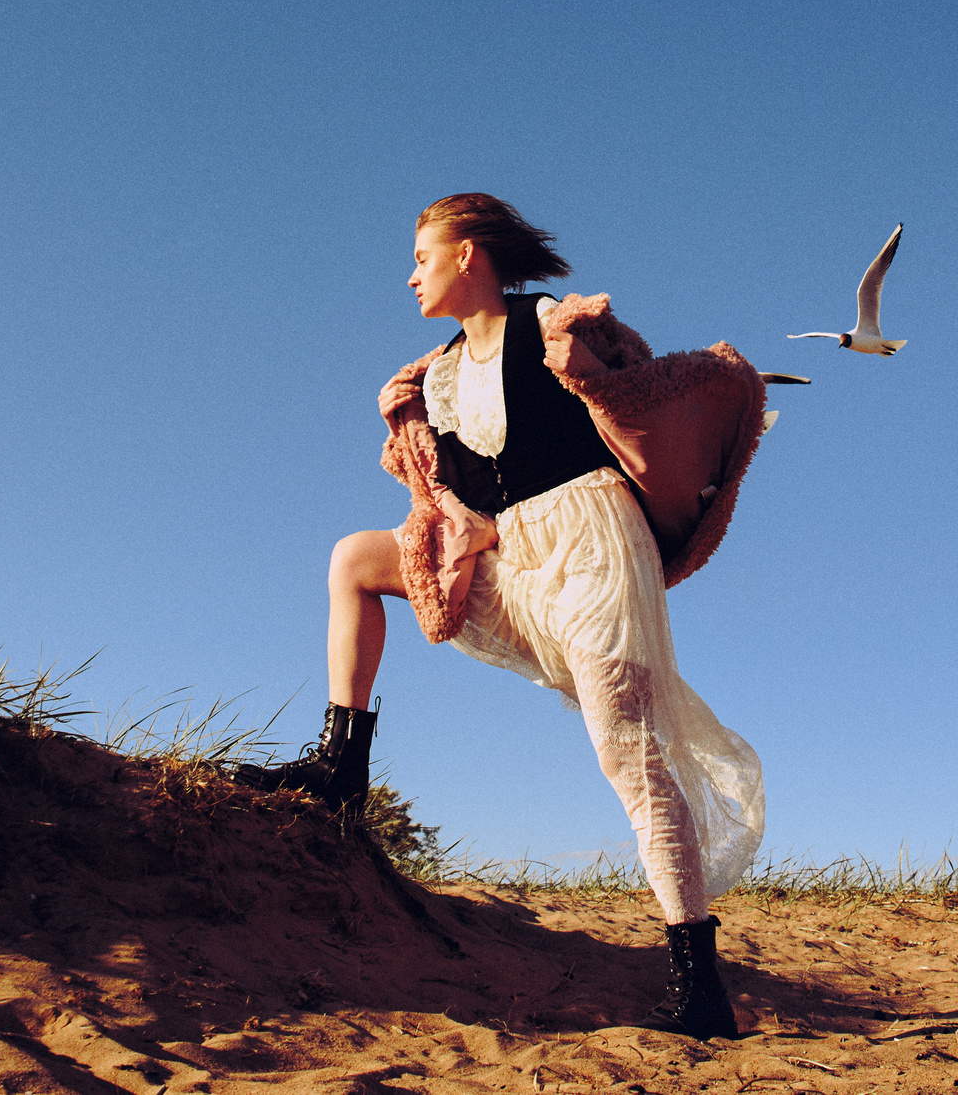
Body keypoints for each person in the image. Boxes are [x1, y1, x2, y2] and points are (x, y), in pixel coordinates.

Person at [234, 193, 766, 1039]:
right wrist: (461, 512)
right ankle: (341, 763)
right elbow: (472, 487)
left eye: (421, 255)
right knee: (352, 560)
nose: (410, 274)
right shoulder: (439, 375)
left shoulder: (548, 323)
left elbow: (625, 388)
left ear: (470, 255)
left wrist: (602, 357)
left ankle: (700, 984)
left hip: (594, 545)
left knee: (626, 755)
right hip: (515, 559)